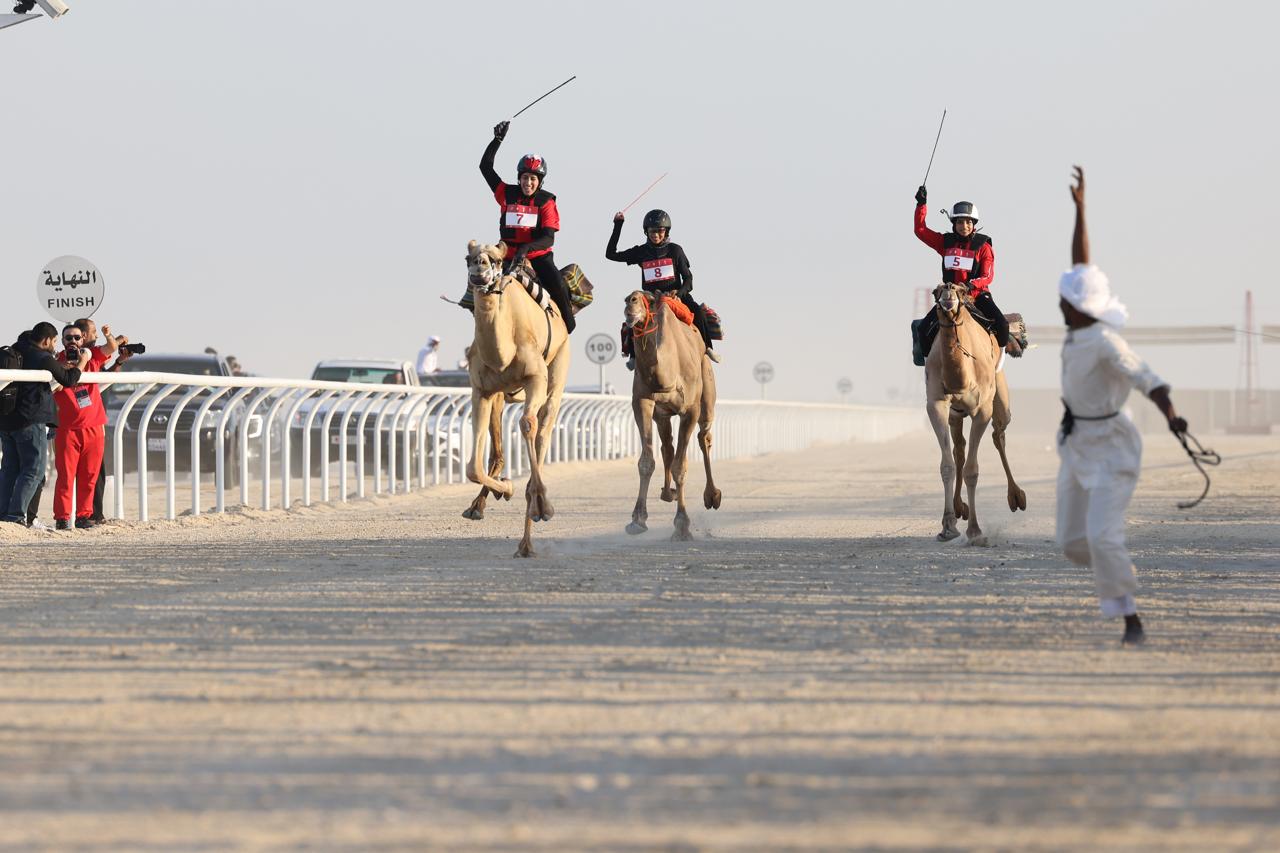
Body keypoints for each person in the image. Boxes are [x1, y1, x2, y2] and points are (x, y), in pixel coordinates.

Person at [1056, 166, 1187, 646]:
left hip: (1113, 447)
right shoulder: (1078, 324)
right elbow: (1082, 269)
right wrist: (1080, 208)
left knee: (1103, 537)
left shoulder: (1106, 343)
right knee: (1072, 544)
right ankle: (1110, 562)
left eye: (1064, 299)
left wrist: (1170, 412)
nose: (1060, 298)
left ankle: (1131, 618)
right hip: (1076, 444)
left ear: (1076, 308)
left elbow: (1144, 376)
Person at [476, 120, 575, 333]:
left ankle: (566, 327)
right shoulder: (506, 193)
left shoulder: (546, 202)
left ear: (539, 181)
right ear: (519, 178)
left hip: (538, 258)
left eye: (532, 179)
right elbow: (485, 167)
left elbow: (549, 238)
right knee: (478, 276)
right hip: (506, 256)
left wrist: (526, 249)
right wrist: (497, 140)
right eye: (524, 178)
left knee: (557, 284)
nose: (528, 183)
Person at [911, 186, 1019, 366]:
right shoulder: (945, 243)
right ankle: (931, 367)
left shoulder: (984, 247)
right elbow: (920, 230)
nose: (964, 226)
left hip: (976, 296)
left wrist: (969, 286)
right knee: (922, 329)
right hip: (950, 298)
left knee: (1002, 324)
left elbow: (987, 276)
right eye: (960, 222)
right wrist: (921, 204)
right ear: (954, 224)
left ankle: (998, 362)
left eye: (968, 222)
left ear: (974, 224)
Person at [607, 209, 720, 368]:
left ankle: (707, 347)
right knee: (634, 316)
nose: (656, 234)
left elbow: (688, 279)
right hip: (651, 299)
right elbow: (610, 254)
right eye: (652, 231)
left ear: (666, 232)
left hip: (675, 295)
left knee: (699, 313)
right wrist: (618, 225)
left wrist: (679, 294)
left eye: (660, 231)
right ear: (646, 231)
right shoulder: (641, 251)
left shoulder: (675, 250)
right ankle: (633, 355)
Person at [0, 323, 87, 525]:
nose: (55, 345)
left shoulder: (16, 350)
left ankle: (4, 515)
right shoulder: (42, 357)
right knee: (33, 470)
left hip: (6, 420)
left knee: (9, 469)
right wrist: (82, 363)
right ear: (47, 340)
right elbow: (68, 379)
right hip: (30, 420)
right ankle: (16, 517)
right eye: (55, 341)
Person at [51, 322, 119, 529]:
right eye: (68, 338)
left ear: (83, 339)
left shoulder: (91, 356)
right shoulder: (55, 361)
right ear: (62, 342)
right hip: (67, 428)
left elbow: (112, 348)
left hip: (94, 426)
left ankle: (84, 516)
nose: (72, 341)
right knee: (65, 475)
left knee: (89, 475)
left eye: (76, 338)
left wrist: (108, 335)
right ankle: (62, 518)